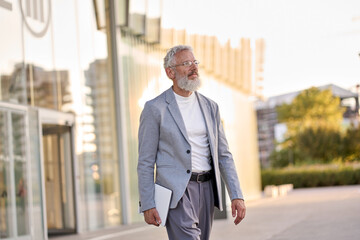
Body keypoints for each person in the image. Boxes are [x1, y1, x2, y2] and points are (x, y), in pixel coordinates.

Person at [137, 45, 246, 240]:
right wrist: (148, 203)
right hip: (177, 192)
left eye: (195, 62)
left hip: (207, 189)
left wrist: (236, 195)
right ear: (170, 72)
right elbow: (145, 161)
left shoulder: (210, 107)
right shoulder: (155, 109)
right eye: (186, 63)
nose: (193, 67)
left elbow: (224, 155)